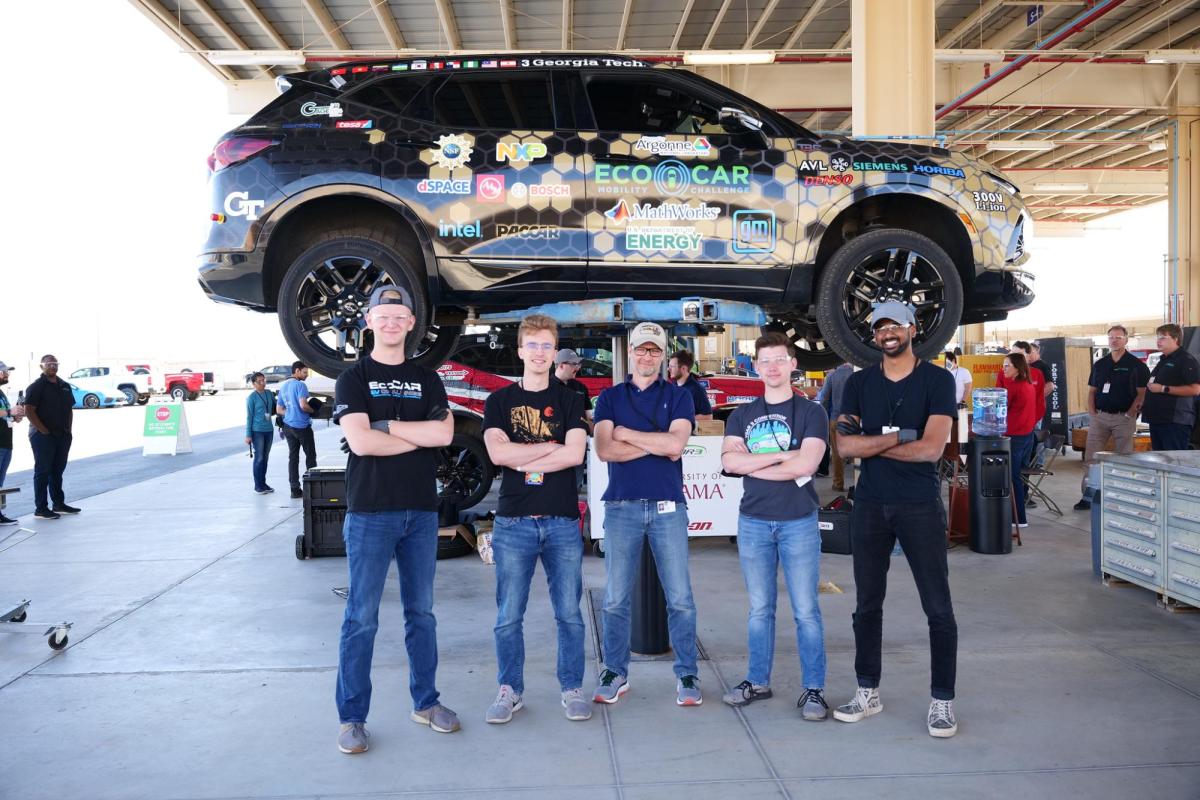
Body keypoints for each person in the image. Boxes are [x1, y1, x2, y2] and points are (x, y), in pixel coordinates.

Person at [332, 286, 459, 754]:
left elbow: (444, 433)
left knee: (421, 615)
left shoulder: (428, 379)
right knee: (361, 618)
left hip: (421, 514)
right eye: (382, 315)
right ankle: (351, 718)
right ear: (369, 321)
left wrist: (387, 427)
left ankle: (426, 703)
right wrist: (415, 437)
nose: (390, 323)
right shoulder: (353, 378)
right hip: (370, 513)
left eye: (398, 316)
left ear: (411, 324)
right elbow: (361, 444)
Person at [833, 302, 959, 738]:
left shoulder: (938, 381)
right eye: (880, 327)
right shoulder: (858, 382)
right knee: (866, 606)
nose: (888, 332)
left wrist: (873, 441)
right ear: (874, 336)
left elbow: (931, 449)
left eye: (895, 325)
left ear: (912, 329)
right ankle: (868, 691)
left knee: (938, 608)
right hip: (869, 504)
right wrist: (898, 436)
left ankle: (942, 700)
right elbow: (845, 448)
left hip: (919, 504)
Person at [481, 314, 591, 725]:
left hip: (562, 521)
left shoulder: (570, 399)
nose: (541, 353)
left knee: (569, 613)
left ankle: (572, 687)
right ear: (521, 350)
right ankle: (510, 689)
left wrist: (524, 451)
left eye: (548, 346)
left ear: (554, 351)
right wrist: (550, 446)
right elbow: (497, 455)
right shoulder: (499, 402)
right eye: (534, 345)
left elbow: (575, 455)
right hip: (514, 523)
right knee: (509, 614)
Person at [720, 332, 829, 719]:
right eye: (764, 361)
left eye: (779, 360)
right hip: (753, 522)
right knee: (759, 608)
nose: (772, 367)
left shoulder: (813, 412)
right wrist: (787, 455)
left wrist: (758, 460)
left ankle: (814, 689)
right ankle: (757, 680)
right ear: (755, 366)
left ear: (792, 364)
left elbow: (807, 466)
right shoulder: (741, 414)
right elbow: (730, 464)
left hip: (798, 521)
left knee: (805, 610)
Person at [592, 322, 700, 707]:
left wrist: (629, 434)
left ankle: (687, 673)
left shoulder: (680, 397)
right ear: (631, 352)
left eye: (655, 350)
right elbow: (605, 450)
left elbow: (676, 446)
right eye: (642, 349)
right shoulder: (609, 399)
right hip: (621, 506)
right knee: (616, 599)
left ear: (663, 354)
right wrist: (656, 443)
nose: (648, 356)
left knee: (681, 598)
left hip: (669, 506)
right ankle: (615, 672)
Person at [1074, 325, 1148, 511]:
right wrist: (1092, 411)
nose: (1114, 340)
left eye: (1118, 337)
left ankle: (1121, 496)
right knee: (1091, 458)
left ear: (1126, 340)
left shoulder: (1136, 365)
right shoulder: (1100, 364)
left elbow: (1142, 393)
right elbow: (1092, 391)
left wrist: (1130, 413)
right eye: (1111, 337)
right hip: (1100, 418)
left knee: (1123, 458)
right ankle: (1088, 496)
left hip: (1123, 419)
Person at [24, 355, 80, 521]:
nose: (53, 367)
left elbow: (69, 409)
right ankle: (41, 508)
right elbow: (29, 409)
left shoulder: (64, 385)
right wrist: (43, 430)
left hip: (62, 435)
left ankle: (59, 504)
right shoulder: (37, 386)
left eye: (55, 364)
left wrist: (68, 430)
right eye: (49, 364)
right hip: (42, 436)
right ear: (42, 366)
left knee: (57, 470)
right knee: (43, 471)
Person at [1142, 323, 1200, 451]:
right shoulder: (1163, 360)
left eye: (1163, 338)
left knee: (1174, 462)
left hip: (1174, 421)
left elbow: (1195, 389)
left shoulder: (1186, 360)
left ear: (1175, 339)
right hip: (1157, 419)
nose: (1159, 341)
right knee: (1161, 463)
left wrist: (1163, 388)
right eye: (1157, 337)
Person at [1001, 353, 1038, 528]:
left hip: (1015, 436)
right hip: (1026, 435)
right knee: (1017, 476)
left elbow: (1001, 408)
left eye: (1007, 365)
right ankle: (1017, 515)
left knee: (1013, 477)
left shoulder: (1015, 387)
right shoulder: (1028, 385)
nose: (1004, 369)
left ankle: (1019, 518)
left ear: (1017, 368)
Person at [277, 360, 317, 499]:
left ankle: (295, 489)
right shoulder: (300, 385)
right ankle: (313, 488)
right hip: (302, 426)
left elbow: (279, 409)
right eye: (305, 372)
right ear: (297, 371)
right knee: (310, 457)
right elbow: (303, 405)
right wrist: (312, 411)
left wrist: (290, 414)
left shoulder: (284, 386)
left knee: (293, 458)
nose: (306, 375)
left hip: (288, 427)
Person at [816, 362, 854, 491]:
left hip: (836, 418)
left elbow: (824, 399)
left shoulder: (832, 376)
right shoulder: (858, 374)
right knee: (861, 450)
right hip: (856, 418)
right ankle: (861, 483)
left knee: (837, 453)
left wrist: (826, 416)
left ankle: (838, 484)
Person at [0, 361, 25, 526]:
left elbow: (5, 415)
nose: (7, 374)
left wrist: (15, 416)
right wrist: (10, 411)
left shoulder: (1, 392)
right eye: (4, 371)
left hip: (6, 442)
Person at [244, 372, 276, 494]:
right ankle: (258, 486)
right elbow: (249, 417)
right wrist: (248, 435)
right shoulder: (251, 398)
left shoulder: (269, 393)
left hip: (269, 430)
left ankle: (263, 483)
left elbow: (275, 407)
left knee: (265, 458)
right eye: (260, 381)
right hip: (257, 431)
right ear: (253, 384)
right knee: (259, 458)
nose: (263, 383)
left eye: (264, 380)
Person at [668, 350, 713, 420]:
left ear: (683, 369)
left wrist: (683, 419)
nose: (668, 369)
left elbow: (708, 416)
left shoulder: (697, 390)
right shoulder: (672, 386)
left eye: (672, 366)